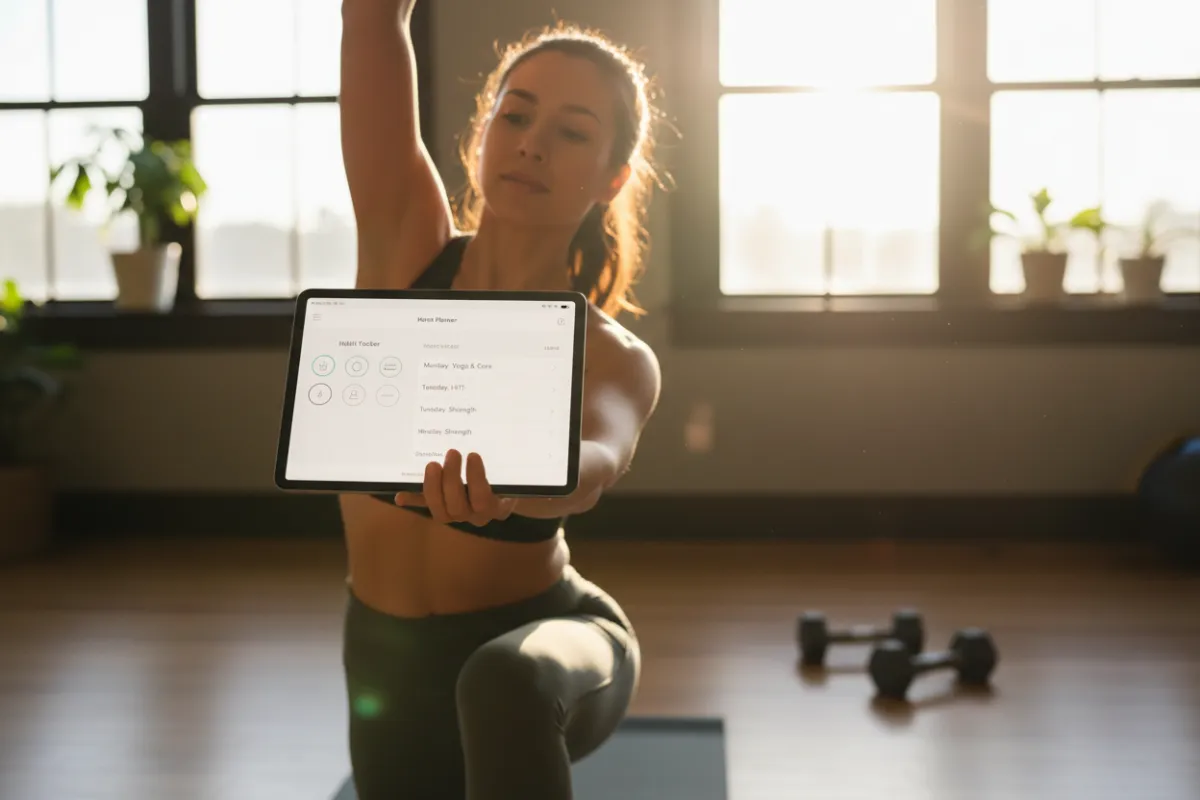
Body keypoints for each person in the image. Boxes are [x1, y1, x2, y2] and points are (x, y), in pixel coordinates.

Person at [336, 1, 667, 797]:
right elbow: (372, 24)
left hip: (546, 646)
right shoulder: (404, 254)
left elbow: (595, 465)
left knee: (499, 683)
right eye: (516, 114)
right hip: (384, 655)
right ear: (484, 129)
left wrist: (521, 481)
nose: (532, 141)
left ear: (611, 176)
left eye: (573, 131)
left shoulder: (616, 356)